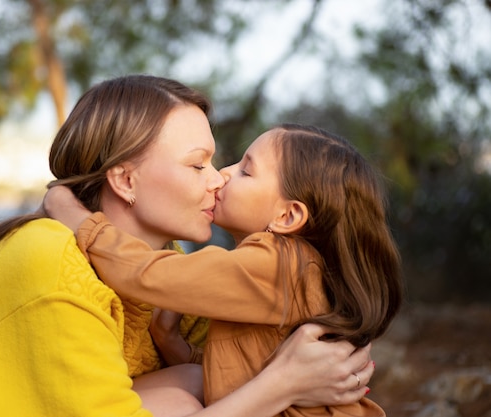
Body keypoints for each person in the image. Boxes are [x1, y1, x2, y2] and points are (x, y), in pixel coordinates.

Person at [0, 75, 374, 417]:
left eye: (224, 165)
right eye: (198, 164)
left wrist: (327, 360)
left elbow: (231, 360)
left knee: (197, 382)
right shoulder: (45, 260)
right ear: (125, 180)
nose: (218, 180)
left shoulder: (172, 269)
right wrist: (284, 383)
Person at [43, 122, 402, 416]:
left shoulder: (277, 264)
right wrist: (173, 342)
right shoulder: (292, 269)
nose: (223, 176)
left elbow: (147, 274)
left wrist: (75, 216)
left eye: (246, 171)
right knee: (189, 377)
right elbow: (239, 371)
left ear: (287, 216)